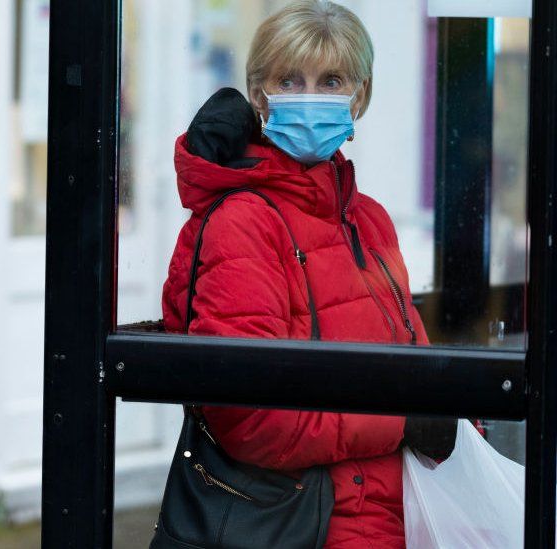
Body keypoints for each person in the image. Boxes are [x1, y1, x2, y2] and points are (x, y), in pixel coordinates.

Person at [161, 1, 456, 547]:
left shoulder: (367, 219)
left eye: (332, 81)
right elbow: (248, 414)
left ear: (359, 97)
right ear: (259, 96)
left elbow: (414, 363)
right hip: (308, 527)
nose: (311, 97)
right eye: (290, 80)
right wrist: (403, 422)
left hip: (395, 519)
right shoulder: (243, 221)